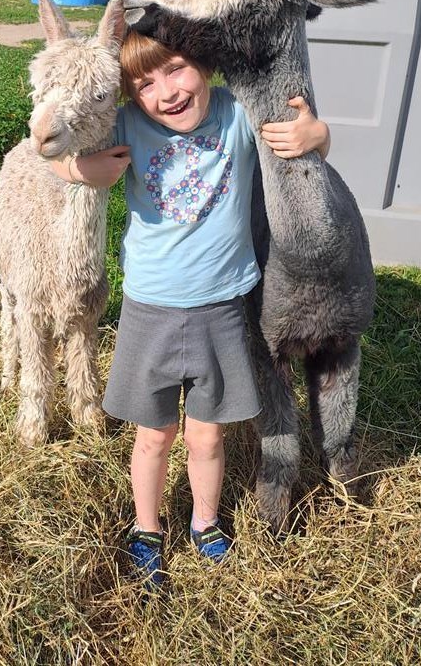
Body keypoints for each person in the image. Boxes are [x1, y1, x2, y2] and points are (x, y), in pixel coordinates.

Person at [49, 30, 330, 591]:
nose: (167, 92)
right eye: (144, 83)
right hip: (149, 310)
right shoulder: (126, 125)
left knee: (207, 437)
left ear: (203, 63)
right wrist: (81, 173)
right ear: (129, 94)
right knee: (152, 437)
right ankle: (147, 527)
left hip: (223, 310)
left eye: (176, 69)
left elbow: (307, 140)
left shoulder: (235, 115)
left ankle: (205, 521)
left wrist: (317, 133)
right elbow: (53, 151)